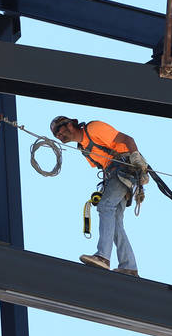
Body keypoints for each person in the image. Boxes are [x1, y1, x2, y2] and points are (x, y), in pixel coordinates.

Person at [50, 116, 148, 277]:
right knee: (115, 221)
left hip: (125, 169)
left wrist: (136, 158)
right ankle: (129, 266)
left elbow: (126, 139)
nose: (58, 136)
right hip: (114, 175)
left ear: (69, 125)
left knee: (105, 207)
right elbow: (105, 165)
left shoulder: (93, 128)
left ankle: (103, 257)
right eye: (55, 135)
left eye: (58, 131)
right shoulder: (83, 148)